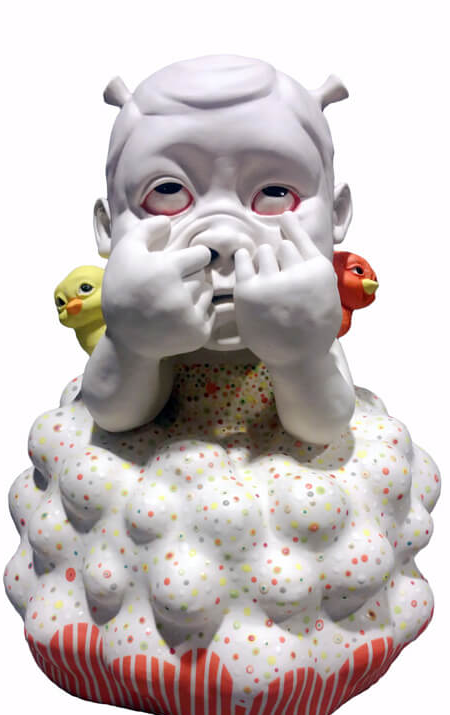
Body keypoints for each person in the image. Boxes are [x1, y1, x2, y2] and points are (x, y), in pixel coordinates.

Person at [82, 55, 356, 444]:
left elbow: (322, 428)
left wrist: (301, 358)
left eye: (276, 193)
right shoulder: (129, 325)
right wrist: (130, 346)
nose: (224, 237)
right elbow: (114, 415)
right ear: (108, 229)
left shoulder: (313, 326)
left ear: (336, 216)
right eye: (167, 191)